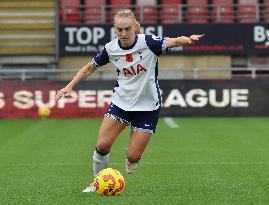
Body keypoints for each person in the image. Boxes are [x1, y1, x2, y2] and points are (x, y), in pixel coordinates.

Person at [55, 9, 204, 192]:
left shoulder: (148, 43)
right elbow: (88, 69)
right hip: (121, 103)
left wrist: (189, 39)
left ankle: (132, 159)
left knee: (133, 157)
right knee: (102, 145)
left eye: (127, 29)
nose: (124, 33)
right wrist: (69, 86)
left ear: (135, 27)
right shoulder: (111, 49)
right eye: (119, 29)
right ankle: (97, 183)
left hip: (148, 106)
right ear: (115, 29)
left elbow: (173, 41)